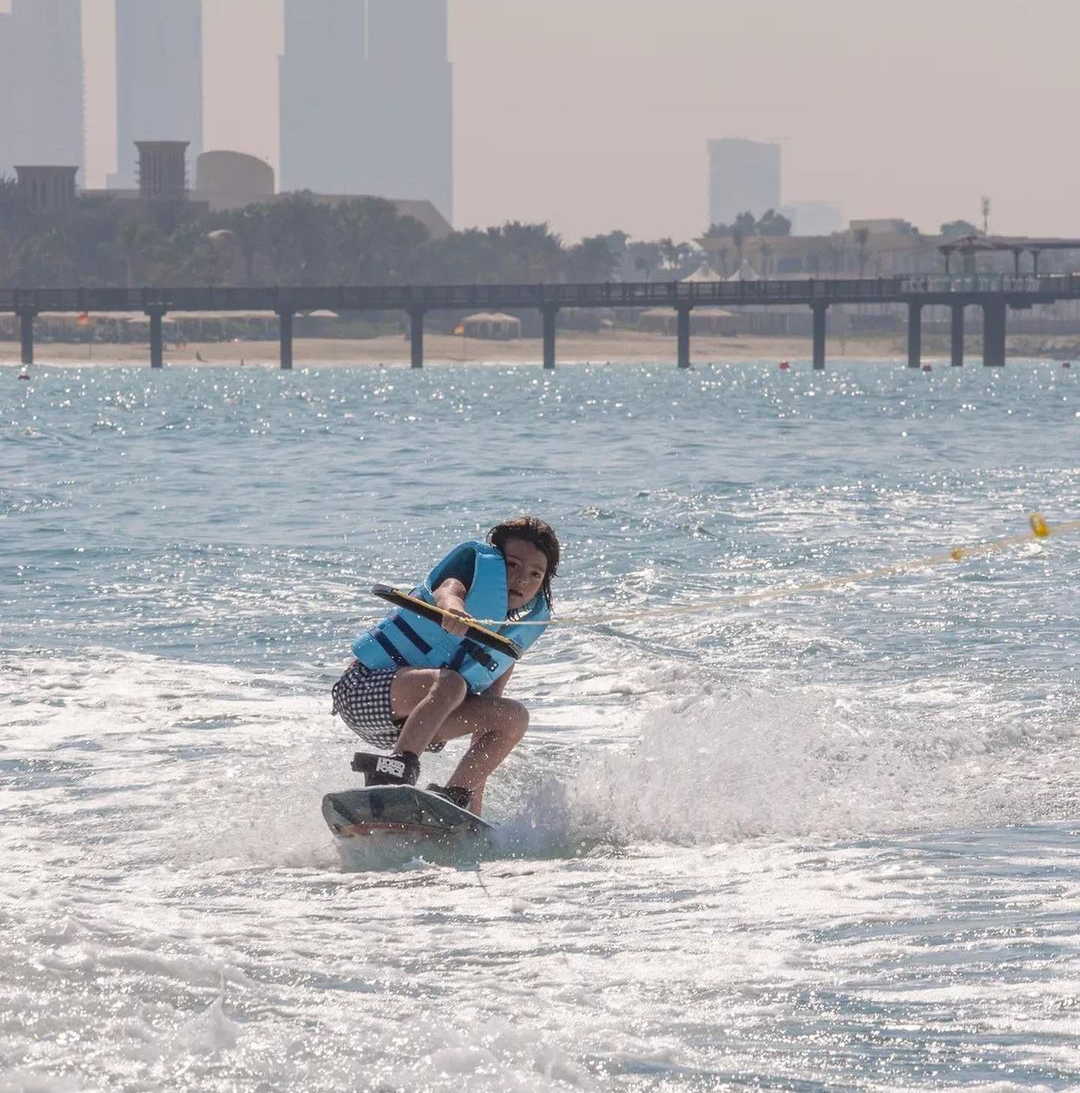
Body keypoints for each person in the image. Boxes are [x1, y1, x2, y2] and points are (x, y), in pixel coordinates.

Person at [332, 516, 560, 815]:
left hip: (419, 726)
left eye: (535, 574)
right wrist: (453, 610)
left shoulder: (505, 642)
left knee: (512, 718)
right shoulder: (467, 575)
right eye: (512, 565)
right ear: (494, 562)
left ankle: (456, 799)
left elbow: (485, 725)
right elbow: (448, 591)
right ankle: (395, 769)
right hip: (364, 693)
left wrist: (473, 809)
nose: (521, 579)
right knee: (452, 683)